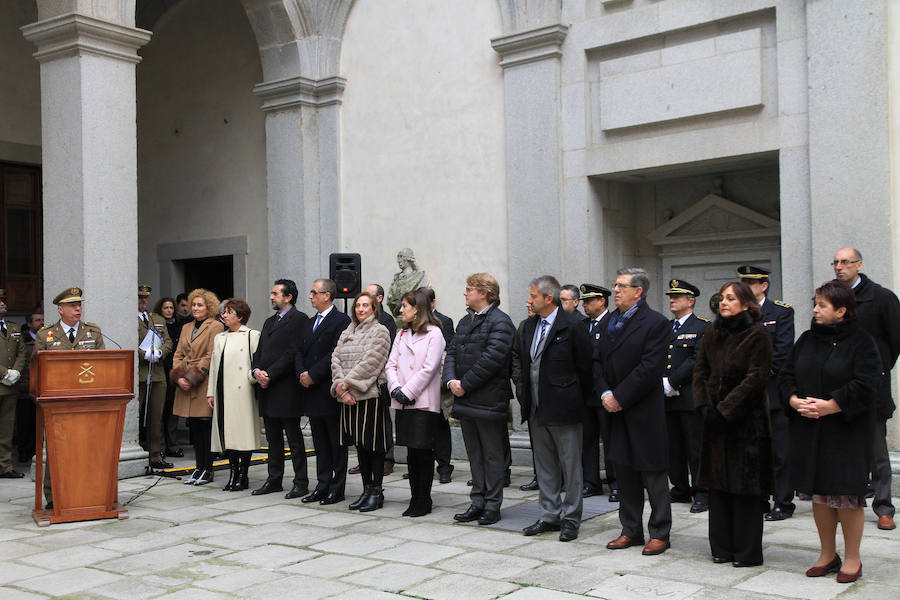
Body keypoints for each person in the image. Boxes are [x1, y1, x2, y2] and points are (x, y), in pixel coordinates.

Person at [779, 280, 881, 583]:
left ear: (842, 310)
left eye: (822, 305)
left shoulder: (862, 341)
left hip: (846, 431)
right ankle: (827, 553)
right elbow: (786, 375)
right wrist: (795, 400)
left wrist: (832, 405)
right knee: (820, 494)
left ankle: (852, 558)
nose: (815, 310)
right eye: (815, 303)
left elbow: (867, 383)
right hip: (810, 429)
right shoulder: (807, 339)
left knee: (846, 495)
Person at [693, 280, 774, 567]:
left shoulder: (757, 334)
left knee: (744, 487)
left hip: (745, 423)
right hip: (713, 421)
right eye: (722, 298)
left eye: (731, 298)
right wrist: (704, 405)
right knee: (718, 485)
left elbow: (756, 377)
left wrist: (726, 409)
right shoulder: (713, 332)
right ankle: (722, 547)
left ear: (746, 303)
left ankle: (746, 551)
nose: (724, 302)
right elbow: (700, 369)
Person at [594, 268, 671, 556]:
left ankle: (660, 532)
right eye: (615, 285)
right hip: (614, 410)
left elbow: (649, 368)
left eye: (621, 286)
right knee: (624, 473)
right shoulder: (609, 321)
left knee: (653, 475)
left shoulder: (656, 323)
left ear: (638, 291)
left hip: (642, 411)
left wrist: (620, 396)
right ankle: (630, 529)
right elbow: (596, 362)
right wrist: (604, 393)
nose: (615, 290)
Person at [516, 276, 593, 542]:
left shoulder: (572, 325)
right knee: (545, 465)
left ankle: (571, 517)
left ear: (549, 298)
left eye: (534, 296)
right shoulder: (529, 326)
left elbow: (586, 368)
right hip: (537, 407)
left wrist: (577, 402)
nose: (529, 300)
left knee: (570, 466)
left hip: (565, 408)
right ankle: (549, 514)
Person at [833, 247, 900, 531]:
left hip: (871, 387)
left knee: (876, 450)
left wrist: (878, 369)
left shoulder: (881, 297)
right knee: (843, 448)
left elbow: (895, 340)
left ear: (859, 264)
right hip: (839, 387)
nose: (839, 267)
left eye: (845, 262)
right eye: (835, 262)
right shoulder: (831, 297)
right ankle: (848, 503)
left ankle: (884, 507)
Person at [443, 272, 515, 526]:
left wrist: (465, 384)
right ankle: (477, 501)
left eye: (469, 289)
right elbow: (451, 352)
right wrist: (451, 380)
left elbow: (493, 358)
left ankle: (492, 505)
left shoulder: (500, 322)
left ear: (484, 293)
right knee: (474, 453)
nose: (465, 293)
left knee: (493, 455)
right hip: (466, 398)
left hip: (488, 399)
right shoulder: (465, 322)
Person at [34, 287, 105, 508]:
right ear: (60, 309)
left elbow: (103, 365)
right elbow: (37, 369)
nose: (78, 309)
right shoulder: (45, 334)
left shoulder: (93, 332)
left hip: (87, 402)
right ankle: (54, 497)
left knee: (88, 448)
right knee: (57, 450)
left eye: (80, 304)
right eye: (72, 305)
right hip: (57, 404)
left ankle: (89, 493)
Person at [737, 265, 795, 521]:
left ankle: (783, 501)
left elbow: (782, 352)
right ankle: (758, 498)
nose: (747, 288)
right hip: (746, 396)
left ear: (764, 285)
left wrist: (755, 378)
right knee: (753, 451)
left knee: (779, 452)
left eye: (752, 283)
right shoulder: (737, 315)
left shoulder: (780, 312)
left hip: (772, 391)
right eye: (743, 283)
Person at [387, 289, 446, 516]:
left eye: (404, 306)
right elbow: (390, 364)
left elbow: (429, 368)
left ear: (417, 309)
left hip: (422, 400)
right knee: (411, 453)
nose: (401, 310)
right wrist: (395, 388)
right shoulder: (402, 334)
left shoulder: (435, 334)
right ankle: (414, 498)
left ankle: (424, 499)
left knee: (423, 452)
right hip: (402, 400)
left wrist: (408, 390)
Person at [331, 291, 392, 512]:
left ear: (374, 308)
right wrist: (340, 388)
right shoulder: (347, 331)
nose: (361, 309)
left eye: (366, 305)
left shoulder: (380, 331)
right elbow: (335, 359)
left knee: (373, 446)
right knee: (359, 446)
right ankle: (366, 489)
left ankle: (376, 491)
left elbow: (372, 362)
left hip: (369, 397)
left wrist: (347, 384)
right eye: (358, 305)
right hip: (347, 398)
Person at [251, 279, 310, 498]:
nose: (271, 297)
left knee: (293, 439)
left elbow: (293, 352)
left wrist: (271, 374)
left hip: (286, 389)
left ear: (288, 297)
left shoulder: (299, 320)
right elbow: (260, 351)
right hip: (266, 388)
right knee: (273, 439)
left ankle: (300, 482)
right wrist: (256, 370)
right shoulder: (269, 322)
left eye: (275, 293)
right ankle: (274, 479)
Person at [296, 278, 351, 505]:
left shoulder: (341, 320)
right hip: (311, 391)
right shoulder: (310, 322)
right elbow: (299, 350)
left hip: (329, 389)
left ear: (327, 295)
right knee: (320, 443)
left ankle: (337, 488)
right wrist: (301, 372)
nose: (310, 296)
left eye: (313, 292)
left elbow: (335, 353)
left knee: (336, 442)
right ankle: (322, 483)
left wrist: (313, 374)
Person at [663, 279, 710, 513]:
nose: (672, 300)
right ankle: (680, 487)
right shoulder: (666, 328)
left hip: (690, 396)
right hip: (668, 398)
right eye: (671, 296)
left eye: (678, 297)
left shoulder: (702, 326)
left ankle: (701, 491)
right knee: (674, 446)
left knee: (695, 447)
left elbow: (697, 359)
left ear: (690, 301)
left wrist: (672, 381)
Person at [206, 298, 261, 492]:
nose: (224, 315)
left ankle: (243, 474)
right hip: (223, 391)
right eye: (223, 312)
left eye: (229, 312)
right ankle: (232, 472)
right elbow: (214, 367)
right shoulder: (220, 337)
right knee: (227, 434)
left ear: (240, 316)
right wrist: (210, 391)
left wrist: (252, 377)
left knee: (242, 435)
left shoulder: (252, 336)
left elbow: (257, 364)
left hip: (242, 391)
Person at [171, 288, 224, 485]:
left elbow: (210, 357)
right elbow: (177, 354)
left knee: (205, 427)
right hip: (184, 382)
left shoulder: (215, 326)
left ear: (209, 307)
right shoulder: (186, 327)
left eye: (199, 305)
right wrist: (178, 377)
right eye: (193, 304)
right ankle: (198, 468)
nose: (195, 308)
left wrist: (191, 377)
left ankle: (207, 469)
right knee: (193, 427)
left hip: (202, 383)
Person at [348, 283, 397, 477]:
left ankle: (387, 459)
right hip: (355, 385)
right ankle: (365, 465)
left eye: (367, 300)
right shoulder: (353, 326)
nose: (362, 308)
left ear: (379, 299)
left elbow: (380, 356)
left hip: (377, 383)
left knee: (381, 426)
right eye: (359, 304)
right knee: (361, 431)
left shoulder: (386, 322)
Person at [579, 283, 616, 501]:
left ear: (602, 301)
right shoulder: (582, 326)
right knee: (587, 440)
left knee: (611, 440)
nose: (585, 305)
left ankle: (616, 483)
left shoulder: (614, 324)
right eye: (584, 301)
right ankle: (591, 482)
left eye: (589, 301)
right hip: (586, 394)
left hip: (606, 393)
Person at [138, 284, 174, 470]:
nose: (143, 301)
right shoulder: (130, 319)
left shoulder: (157, 318)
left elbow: (167, 340)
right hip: (139, 373)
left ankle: (155, 455)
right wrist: (142, 354)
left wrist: (160, 352)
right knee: (137, 415)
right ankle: (137, 452)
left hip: (158, 373)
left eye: (145, 298)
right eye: (140, 297)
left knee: (156, 415)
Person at [0, 289, 26, 478]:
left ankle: (5, 465)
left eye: (3, 301)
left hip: (10, 386)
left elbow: (22, 352)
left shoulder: (14, 328)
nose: (2, 304)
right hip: (3, 378)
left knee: (7, 429)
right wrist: (4, 372)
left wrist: (16, 371)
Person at [154, 296, 184, 457]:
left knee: (172, 412)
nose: (169, 311)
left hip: (174, 372)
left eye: (171, 308)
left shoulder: (179, 325)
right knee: (159, 411)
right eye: (166, 308)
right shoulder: (156, 324)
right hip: (160, 369)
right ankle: (160, 447)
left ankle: (172, 445)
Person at [14, 308, 42, 465]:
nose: (41, 323)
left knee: (37, 425)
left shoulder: (47, 338)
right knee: (25, 423)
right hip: (25, 388)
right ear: (29, 324)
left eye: (42, 319)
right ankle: (24, 452)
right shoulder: (22, 340)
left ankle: (35, 451)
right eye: (37, 320)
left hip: (41, 388)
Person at [386, 248, 430, 319]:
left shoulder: (420, 277)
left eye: (402, 257)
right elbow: (390, 299)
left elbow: (423, 298)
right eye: (398, 257)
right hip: (398, 318)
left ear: (408, 259)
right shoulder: (396, 278)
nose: (399, 261)